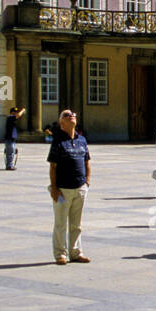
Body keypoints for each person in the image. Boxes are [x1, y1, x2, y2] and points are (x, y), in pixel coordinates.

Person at [47, 109, 91, 265]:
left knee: (76, 224)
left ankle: (75, 252)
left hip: (80, 187)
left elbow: (87, 162)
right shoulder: (58, 141)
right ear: (62, 123)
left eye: (73, 114)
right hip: (63, 189)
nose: (71, 115)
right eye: (66, 115)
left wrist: (87, 182)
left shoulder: (82, 140)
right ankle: (60, 254)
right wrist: (54, 188)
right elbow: (53, 167)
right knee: (60, 223)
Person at [2, 106, 25, 170]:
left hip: (12, 139)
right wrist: (22, 110)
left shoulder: (12, 119)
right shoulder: (10, 117)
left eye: (16, 112)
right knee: (10, 152)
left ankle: (10, 165)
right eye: (15, 112)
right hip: (9, 139)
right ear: (12, 112)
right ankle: (9, 165)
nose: (16, 113)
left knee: (12, 152)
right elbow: (18, 116)